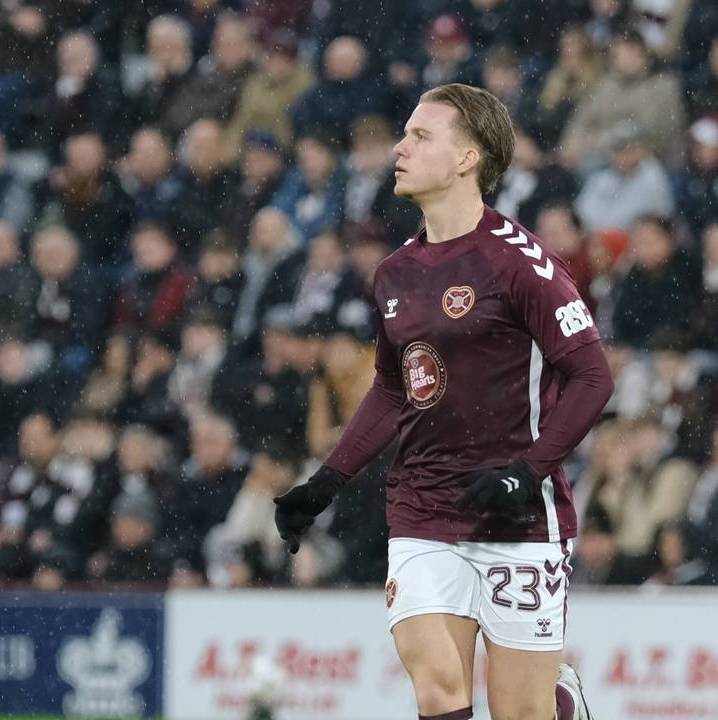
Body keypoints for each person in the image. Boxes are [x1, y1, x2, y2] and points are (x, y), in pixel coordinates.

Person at [273, 84, 612, 720]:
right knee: (439, 690)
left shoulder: (522, 265)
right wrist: (324, 483)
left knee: (521, 712)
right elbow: (393, 387)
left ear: (467, 158)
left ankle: (560, 698)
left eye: (420, 136)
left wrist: (526, 472)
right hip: (422, 506)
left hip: (519, 517)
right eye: (403, 135)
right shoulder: (394, 272)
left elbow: (593, 378)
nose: (399, 149)